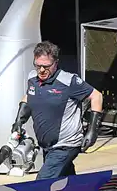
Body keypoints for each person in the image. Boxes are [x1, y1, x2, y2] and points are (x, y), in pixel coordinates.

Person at [10, 41, 104, 181]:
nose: (41, 70)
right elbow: (30, 96)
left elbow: (96, 95)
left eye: (46, 66)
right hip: (47, 146)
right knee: (65, 182)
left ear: (56, 63)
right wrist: (19, 120)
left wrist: (92, 131)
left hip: (66, 145)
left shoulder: (68, 81)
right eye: (38, 65)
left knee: (42, 183)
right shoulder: (32, 78)